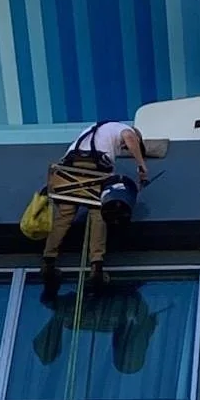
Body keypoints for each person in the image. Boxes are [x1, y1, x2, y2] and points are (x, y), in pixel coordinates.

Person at [42, 121, 149, 290]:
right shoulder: (125, 130)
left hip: (69, 168)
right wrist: (142, 165)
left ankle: (48, 262)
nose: (124, 148)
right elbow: (129, 137)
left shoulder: (96, 129)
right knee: (99, 213)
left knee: (64, 215)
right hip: (94, 166)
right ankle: (96, 268)